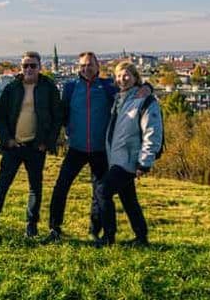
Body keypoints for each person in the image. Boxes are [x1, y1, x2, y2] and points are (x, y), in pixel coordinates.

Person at [0, 51, 61, 244]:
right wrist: (6, 140)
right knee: (1, 188)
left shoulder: (49, 88)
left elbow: (57, 117)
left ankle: (31, 226)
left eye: (33, 65)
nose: (29, 69)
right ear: (21, 67)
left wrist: (47, 142)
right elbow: (0, 116)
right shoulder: (12, 87)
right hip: (13, 146)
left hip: (36, 146)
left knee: (35, 188)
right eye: (26, 66)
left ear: (40, 67)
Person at [46, 51, 116, 243]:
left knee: (99, 192)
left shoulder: (108, 86)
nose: (86, 68)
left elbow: (133, 88)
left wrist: (148, 88)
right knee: (61, 186)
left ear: (97, 66)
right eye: (83, 65)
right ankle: (54, 227)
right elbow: (63, 112)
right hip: (76, 147)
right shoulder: (70, 87)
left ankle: (95, 230)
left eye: (89, 65)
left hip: (100, 149)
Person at [97, 62, 163, 247]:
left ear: (135, 77)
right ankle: (141, 237)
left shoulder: (144, 101)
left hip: (129, 159)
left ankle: (108, 237)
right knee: (128, 199)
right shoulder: (119, 99)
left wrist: (144, 163)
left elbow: (152, 132)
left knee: (102, 190)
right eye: (118, 76)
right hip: (117, 158)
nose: (122, 79)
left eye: (126, 75)